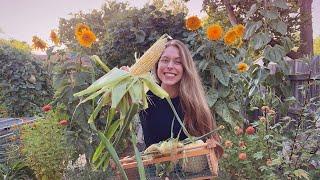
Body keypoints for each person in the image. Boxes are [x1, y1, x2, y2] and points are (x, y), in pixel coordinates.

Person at [135, 39, 220, 148]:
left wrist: (210, 145)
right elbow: (119, 108)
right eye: (165, 60)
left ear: (185, 68)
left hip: (190, 164)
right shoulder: (145, 96)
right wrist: (123, 82)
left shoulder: (195, 103)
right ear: (157, 66)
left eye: (178, 62)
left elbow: (214, 146)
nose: (170, 66)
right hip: (153, 164)